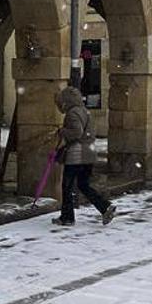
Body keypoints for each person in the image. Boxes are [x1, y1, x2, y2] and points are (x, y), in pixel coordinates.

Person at [52, 86, 115, 227]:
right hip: (89, 153)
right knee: (83, 185)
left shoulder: (72, 113)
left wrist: (62, 131)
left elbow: (77, 132)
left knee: (67, 186)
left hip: (77, 154)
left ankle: (67, 218)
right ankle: (105, 207)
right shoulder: (85, 111)